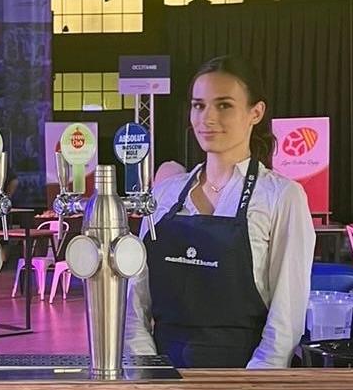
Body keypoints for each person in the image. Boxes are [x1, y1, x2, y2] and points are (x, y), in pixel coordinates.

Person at [126, 55, 314, 369]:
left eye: (224, 105)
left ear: (256, 113)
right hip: (163, 371)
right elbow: (135, 301)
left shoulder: (282, 196)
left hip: (246, 373)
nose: (207, 118)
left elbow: (287, 314)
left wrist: (254, 382)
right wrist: (148, 367)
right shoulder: (163, 195)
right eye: (198, 105)